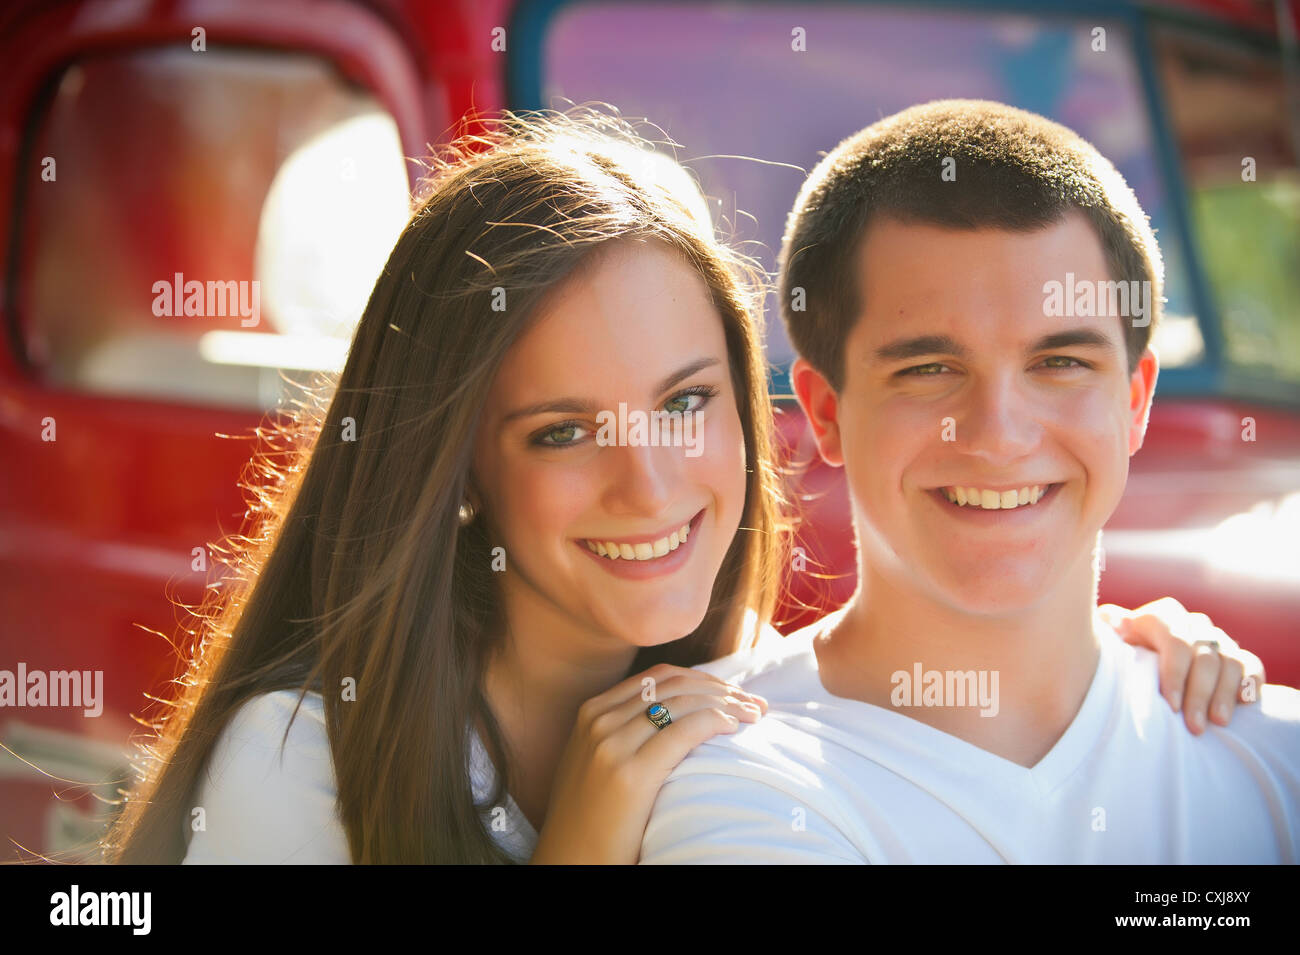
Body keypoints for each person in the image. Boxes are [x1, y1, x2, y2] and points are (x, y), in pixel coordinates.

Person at [100, 109, 1264, 865]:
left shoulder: (727, 679)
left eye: (685, 402)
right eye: (562, 432)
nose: (648, 485)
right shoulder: (301, 756)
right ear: (457, 472)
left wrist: (1100, 648)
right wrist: (588, 840)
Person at [639, 100, 1299, 865]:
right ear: (826, 412)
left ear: (1134, 400)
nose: (997, 436)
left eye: (1060, 363)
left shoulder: (1277, 756)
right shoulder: (735, 777)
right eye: (928, 370)